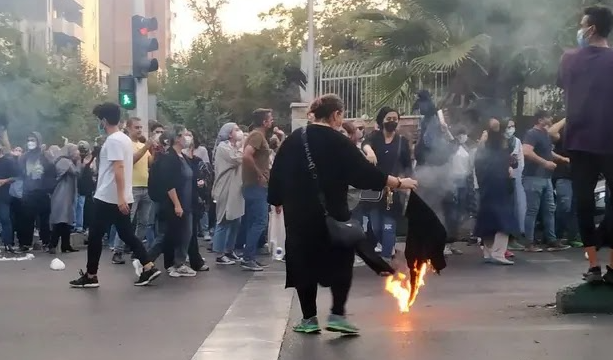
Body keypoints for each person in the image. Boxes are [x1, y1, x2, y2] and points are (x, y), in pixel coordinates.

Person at [268, 94, 418, 335]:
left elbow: (277, 174)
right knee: (341, 261)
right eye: (342, 114)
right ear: (336, 115)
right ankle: (337, 314)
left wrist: (275, 200)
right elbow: (364, 174)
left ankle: (308, 319)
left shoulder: (293, 140)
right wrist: (399, 182)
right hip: (334, 214)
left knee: (304, 263)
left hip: (300, 216)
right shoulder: (339, 142)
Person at [69, 102, 161, 288]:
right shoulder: (125, 139)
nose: (99, 124)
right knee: (127, 234)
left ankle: (91, 275)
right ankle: (148, 266)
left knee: (95, 236)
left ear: (104, 121)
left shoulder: (113, 141)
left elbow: (119, 167)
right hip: (118, 196)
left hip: (108, 197)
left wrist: (119, 197)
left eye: (99, 120)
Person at [557, 5, 613, 283]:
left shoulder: (569, 59)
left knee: (583, 203)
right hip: (609, 141)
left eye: (581, 24)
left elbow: (562, 84)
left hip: (579, 141)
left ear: (590, 29)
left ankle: (593, 267)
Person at [361, 107, 413, 261]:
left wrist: (408, 184)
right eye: (388, 119)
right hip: (375, 190)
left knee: (388, 227)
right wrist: (369, 151)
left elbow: (407, 165)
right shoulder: (374, 137)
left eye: (395, 119)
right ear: (382, 120)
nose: (392, 122)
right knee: (376, 227)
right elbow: (365, 143)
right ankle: (388, 249)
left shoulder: (402, 142)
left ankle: (386, 258)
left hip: (393, 190)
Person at [522, 110, 570, 252]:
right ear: (540, 119)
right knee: (532, 210)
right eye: (548, 117)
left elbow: (548, 152)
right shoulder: (531, 134)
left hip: (546, 178)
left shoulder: (545, 135)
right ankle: (529, 243)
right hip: (532, 177)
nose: (550, 120)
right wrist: (545, 163)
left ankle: (551, 240)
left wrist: (562, 159)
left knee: (549, 209)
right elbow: (526, 151)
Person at [474, 118, 519, 265]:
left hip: (489, 186)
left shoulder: (488, 147)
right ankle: (498, 253)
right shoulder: (493, 145)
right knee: (503, 219)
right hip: (497, 186)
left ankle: (489, 252)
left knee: (488, 218)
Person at [240, 109, 274, 271]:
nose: (272, 121)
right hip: (255, 185)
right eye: (270, 118)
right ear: (264, 122)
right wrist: (259, 173)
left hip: (254, 185)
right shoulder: (257, 136)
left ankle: (249, 255)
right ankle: (248, 257)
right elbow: (247, 155)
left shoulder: (257, 136)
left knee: (254, 221)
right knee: (260, 221)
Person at [211, 123, 245, 265]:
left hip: (236, 189)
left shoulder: (234, 147)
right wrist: (242, 146)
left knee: (235, 220)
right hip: (225, 187)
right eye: (236, 130)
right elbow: (236, 159)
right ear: (229, 133)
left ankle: (229, 250)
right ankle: (219, 253)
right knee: (223, 220)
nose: (239, 132)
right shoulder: (223, 147)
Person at [48, 144, 81, 254]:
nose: (77, 153)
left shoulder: (67, 161)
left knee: (66, 220)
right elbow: (76, 172)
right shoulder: (64, 161)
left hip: (67, 193)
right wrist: (79, 161)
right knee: (60, 219)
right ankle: (52, 244)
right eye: (75, 151)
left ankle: (66, 245)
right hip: (61, 193)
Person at [0, 145, 18, 253]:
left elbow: (15, 177)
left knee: (5, 219)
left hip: (4, 194)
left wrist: (4, 181)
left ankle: (8, 243)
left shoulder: (8, 162)